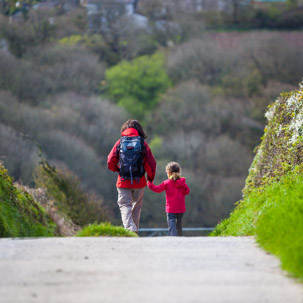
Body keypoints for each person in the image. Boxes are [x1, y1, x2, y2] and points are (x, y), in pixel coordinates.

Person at [107, 119, 156, 233]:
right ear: (139, 130)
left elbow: (110, 160)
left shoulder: (120, 142)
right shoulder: (142, 144)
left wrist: (117, 170)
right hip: (139, 182)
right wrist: (150, 178)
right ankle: (133, 232)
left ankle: (130, 229)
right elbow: (151, 164)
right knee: (136, 208)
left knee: (125, 206)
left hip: (123, 180)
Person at [148, 162, 190, 236]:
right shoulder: (183, 183)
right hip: (180, 208)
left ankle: (172, 238)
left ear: (169, 173)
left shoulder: (167, 183)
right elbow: (187, 192)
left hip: (171, 209)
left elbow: (158, 189)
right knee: (179, 224)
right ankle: (179, 238)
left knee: (171, 223)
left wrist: (150, 184)